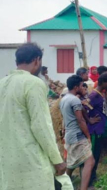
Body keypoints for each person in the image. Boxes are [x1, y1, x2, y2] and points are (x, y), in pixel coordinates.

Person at [0, 43, 70, 190]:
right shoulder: (33, 83)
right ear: (37, 60)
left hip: (6, 163)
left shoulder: (2, 83)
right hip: (31, 162)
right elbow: (41, 126)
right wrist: (57, 160)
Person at [60, 75, 95, 190]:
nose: (83, 87)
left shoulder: (64, 99)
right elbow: (80, 120)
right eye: (81, 85)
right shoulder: (75, 100)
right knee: (89, 161)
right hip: (77, 136)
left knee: (71, 163)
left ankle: (62, 186)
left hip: (69, 136)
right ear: (76, 87)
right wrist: (88, 136)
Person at [88, 73, 107, 186]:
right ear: (103, 82)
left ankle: (93, 176)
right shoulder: (94, 95)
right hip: (94, 131)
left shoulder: (100, 94)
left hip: (99, 130)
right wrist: (89, 120)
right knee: (92, 156)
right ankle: (89, 180)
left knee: (97, 155)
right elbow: (83, 107)